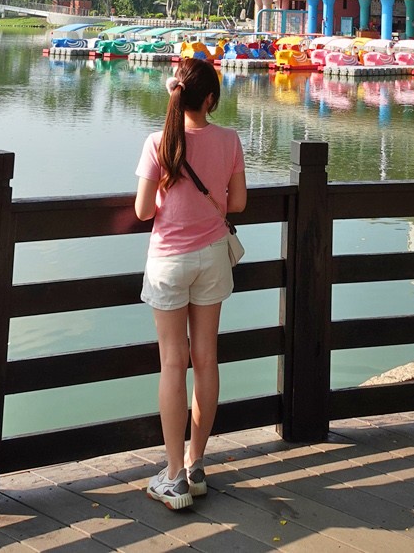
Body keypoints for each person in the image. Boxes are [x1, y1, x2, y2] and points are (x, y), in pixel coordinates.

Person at [134, 57, 247, 510]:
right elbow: (236, 202)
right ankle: (197, 464)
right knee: (206, 359)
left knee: (171, 363)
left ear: (174, 94)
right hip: (212, 259)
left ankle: (174, 475)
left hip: (169, 260)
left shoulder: (158, 142)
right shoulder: (230, 139)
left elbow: (144, 210)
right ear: (212, 100)